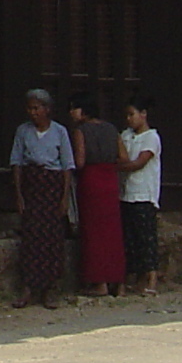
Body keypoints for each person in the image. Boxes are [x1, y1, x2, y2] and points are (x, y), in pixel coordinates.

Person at [9, 90, 74, 308]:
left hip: (52, 187)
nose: (33, 112)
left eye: (37, 108)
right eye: (30, 108)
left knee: (52, 239)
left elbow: (67, 168)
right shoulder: (23, 131)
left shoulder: (60, 132)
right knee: (31, 238)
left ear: (47, 110)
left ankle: (49, 290)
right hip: (32, 185)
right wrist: (19, 195)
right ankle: (28, 288)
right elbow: (17, 163)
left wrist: (64, 198)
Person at [68, 93, 125, 298]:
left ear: (83, 111)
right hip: (109, 180)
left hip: (91, 182)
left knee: (94, 233)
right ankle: (118, 282)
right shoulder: (111, 129)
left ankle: (99, 282)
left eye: (74, 108)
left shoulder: (81, 131)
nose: (71, 113)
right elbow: (124, 157)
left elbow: (80, 161)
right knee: (112, 232)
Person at [119, 96, 163, 295]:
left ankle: (152, 278)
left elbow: (139, 163)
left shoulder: (152, 138)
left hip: (144, 194)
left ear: (143, 115)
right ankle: (135, 278)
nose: (129, 119)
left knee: (147, 239)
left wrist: (119, 167)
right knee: (131, 239)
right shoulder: (126, 135)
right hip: (127, 193)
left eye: (132, 114)